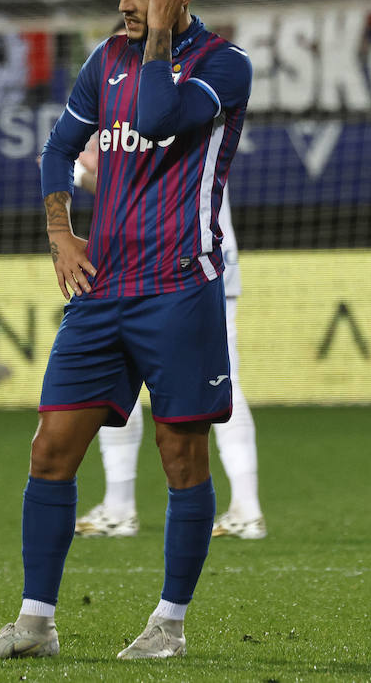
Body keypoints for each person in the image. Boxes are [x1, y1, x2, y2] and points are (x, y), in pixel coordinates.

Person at [0, 0, 252, 662]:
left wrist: (156, 39)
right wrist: (61, 232)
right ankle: (34, 623)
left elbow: (157, 118)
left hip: (181, 289)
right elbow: (58, 147)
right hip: (103, 290)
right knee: (51, 447)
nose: (125, 4)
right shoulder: (104, 59)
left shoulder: (225, 67)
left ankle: (170, 624)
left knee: (180, 456)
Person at [72, 139, 265, 540]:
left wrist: (75, 171)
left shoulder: (181, 104)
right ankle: (121, 505)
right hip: (155, 270)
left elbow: (142, 187)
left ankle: (244, 507)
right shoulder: (183, 101)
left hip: (186, 272)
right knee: (117, 380)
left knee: (215, 386)